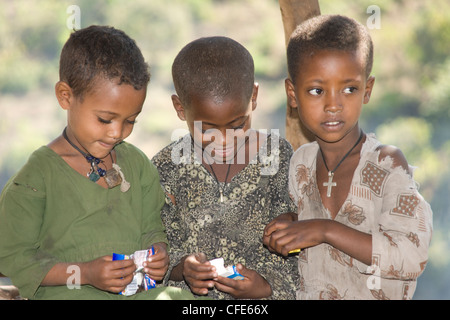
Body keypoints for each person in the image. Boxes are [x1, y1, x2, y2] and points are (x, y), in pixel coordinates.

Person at [0, 25, 195, 300]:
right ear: (65, 96)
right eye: (105, 119)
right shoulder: (36, 178)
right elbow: (13, 259)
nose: (117, 132)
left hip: (136, 295)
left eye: (130, 121)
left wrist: (158, 252)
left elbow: (152, 226)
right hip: (69, 294)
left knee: (180, 299)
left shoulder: (136, 165)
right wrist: (85, 273)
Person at [263, 15, 433, 300]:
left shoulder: (387, 165)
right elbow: (310, 231)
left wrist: (325, 230)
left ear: (367, 90)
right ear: (292, 94)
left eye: (349, 89)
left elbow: (412, 255)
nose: (333, 105)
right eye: (317, 91)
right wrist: (292, 225)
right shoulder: (301, 163)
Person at [152, 36, 298, 299]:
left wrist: (265, 286)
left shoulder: (277, 157)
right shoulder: (166, 167)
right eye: (207, 129)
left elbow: (294, 242)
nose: (224, 140)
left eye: (237, 124)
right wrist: (181, 268)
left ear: (253, 97)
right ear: (180, 108)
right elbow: (157, 244)